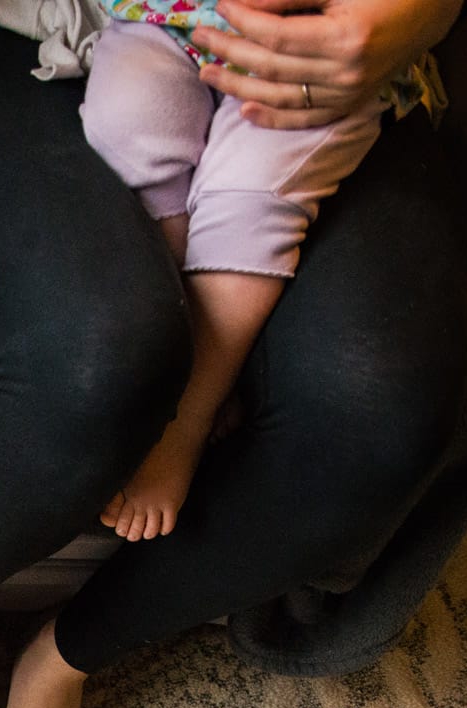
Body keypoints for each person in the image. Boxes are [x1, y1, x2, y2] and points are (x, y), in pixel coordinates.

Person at [0, 0, 467, 708]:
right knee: (104, 359)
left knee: (377, 414)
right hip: (72, 27)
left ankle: (64, 659)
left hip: (335, 58)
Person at [82, 0, 386, 542]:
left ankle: (190, 411)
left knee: (254, 194)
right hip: (168, 17)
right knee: (128, 119)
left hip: (317, 49)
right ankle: (181, 348)